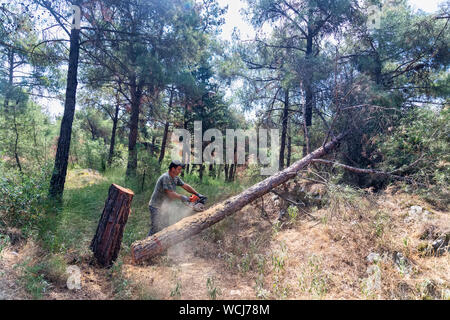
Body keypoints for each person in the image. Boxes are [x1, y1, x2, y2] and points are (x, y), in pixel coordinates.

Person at [147, 160, 204, 236]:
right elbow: (170, 194)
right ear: (173, 169)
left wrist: (197, 194)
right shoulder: (166, 177)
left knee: (165, 227)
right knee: (155, 228)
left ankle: (162, 246)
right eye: (179, 169)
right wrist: (182, 197)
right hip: (155, 206)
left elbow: (185, 186)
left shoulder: (175, 177)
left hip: (164, 207)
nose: (180, 171)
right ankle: (145, 246)